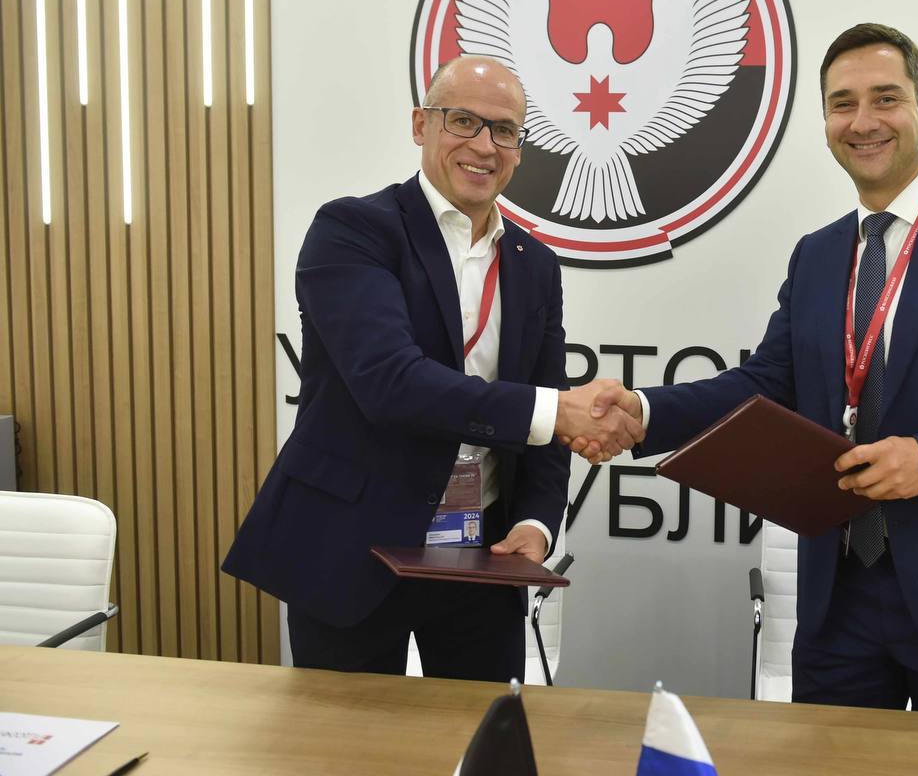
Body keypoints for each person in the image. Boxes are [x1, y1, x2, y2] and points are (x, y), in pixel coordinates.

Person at [574, 24, 918, 717]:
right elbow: (766, 385)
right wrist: (644, 412)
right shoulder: (819, 255)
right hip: (841, 594)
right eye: (842, 104)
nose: (863, 122)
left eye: (885, 99)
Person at [224, 55, 640, 680]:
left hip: (481, 556)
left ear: (520, 149)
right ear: (421, 124)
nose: (484, 146)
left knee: (481, 729)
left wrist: (535, 522)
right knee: (347, 734)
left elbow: (544, 417)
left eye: (504, 130)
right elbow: (390, 383)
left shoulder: (534, 264)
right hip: (353, 547)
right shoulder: (353, 230)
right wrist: (558, 411)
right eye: (463, 121)